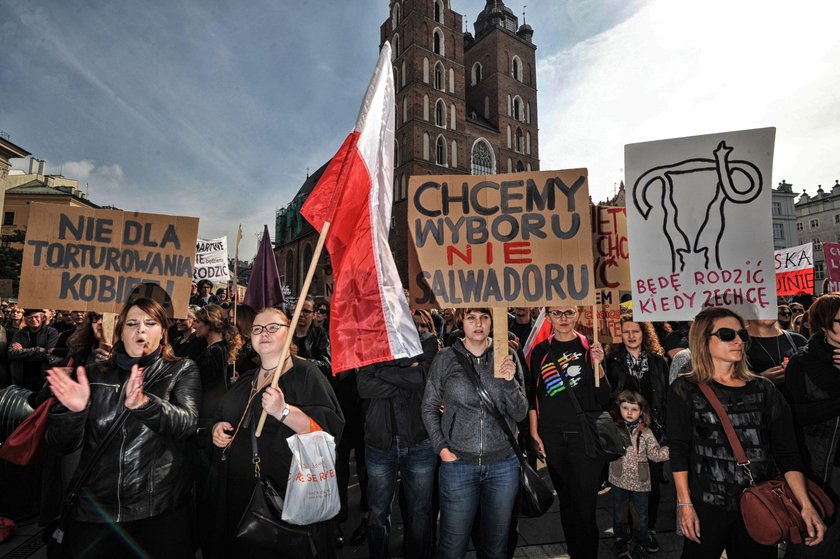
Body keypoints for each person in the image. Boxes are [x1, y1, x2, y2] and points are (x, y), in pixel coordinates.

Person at [45, 298, 201, 557]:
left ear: (163, 330)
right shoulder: (93, 374)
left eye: (150, 323)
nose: (141, 329)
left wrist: (144, 404)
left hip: (156, 508)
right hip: (95, 510)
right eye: (132, 323)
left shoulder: (180, 369)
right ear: (119, 331)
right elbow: (61, 444)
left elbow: (186, 424)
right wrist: (73, 411)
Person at [667, 306, 825, 558]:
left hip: (760, 504)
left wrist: (805, 504)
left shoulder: (764, 389)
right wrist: (684, 503)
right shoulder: (685, 389)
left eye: (742, 334)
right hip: (708, 505)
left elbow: (787, 452)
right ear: (703, 339)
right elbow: (678, 448)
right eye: (727, 334)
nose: (739, 340)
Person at [208, 307, 344, 558]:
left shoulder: (305, 373)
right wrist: (217, 429)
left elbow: (328, 430)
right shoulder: (247, 376)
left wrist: (283, 411)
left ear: (289, 334)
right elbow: (225, 415)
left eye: (273, 327)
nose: (264, 333)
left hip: (280, 494)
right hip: (237, 493)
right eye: (258, 329)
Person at [422, 308, 528, 559]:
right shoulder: (446, 358)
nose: (478, 324)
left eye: (484, 317)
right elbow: (428, 406)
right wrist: (442, 448)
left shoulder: (507, 354)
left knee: (496, 546)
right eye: (471, 318)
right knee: (452, 546)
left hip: (503, 465)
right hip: (458, 465)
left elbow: (521, 412)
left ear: (493, 321)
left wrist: (510, 381)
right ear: (462, 322)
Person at [528, 305, 611, 559]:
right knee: (567, 503)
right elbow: (533, 396)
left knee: (585, 506)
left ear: (578, 314)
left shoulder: (590, 347)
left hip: (585, 440)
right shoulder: (540, 351)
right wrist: (534, 433)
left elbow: (604, 397)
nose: (563, 318)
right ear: (548, 316)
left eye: (568, 312)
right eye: (556, 313)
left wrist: (599, 365)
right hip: (553, 439)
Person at [357, 310, 440, 559]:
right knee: (378, 511)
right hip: (380, 442)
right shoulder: (369, 342)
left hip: (419, 440)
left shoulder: (426, 341)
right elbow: (363, 386)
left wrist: (381, 371)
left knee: (420, 511)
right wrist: (406, 374)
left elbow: (424, 380)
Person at [605, 314, 669, 552]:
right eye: (626, 332)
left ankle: (647, 530)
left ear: (645, 334)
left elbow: (664, 395)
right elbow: (607, 395)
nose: (631, 336)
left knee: (650, 482)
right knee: (621, 484)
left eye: (636, 331)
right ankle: (623, 532)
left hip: (651, 432)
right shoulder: (612, 361)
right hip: (622, 431)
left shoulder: (657, 361)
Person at [784, 294, 840, 558]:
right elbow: (795, 415)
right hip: (820, 468)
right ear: (824, 324)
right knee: (817, 543)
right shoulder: (802, 363)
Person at [610, 390, 669, 558]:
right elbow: (606, 448)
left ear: (641, 411)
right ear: (619, 408)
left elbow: (655, 455)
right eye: (625, 408)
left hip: (640, 483)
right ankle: (621, 539)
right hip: (618, 479)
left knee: (641, 516)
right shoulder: (614, 428)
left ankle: (641, 542)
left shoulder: (647, 432)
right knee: (619, 513)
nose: (629, 413)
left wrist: (673, 449)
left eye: (634, 409)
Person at [8, 308, 60, 392]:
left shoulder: (51, 332)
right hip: (22, 376)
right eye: (30, 317)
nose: (33, 319)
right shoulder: (20, 333)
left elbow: (48, 354)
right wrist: (37, 349)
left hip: (43, 376)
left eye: (36, 317)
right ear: (25, 319)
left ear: (43, 318)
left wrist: (22, 352)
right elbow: (11, 353)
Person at [746, 317, 806, 385]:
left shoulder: (798, 340)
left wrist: (795, 370)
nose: (767, 310)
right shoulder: (736, 341)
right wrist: (760, 380)